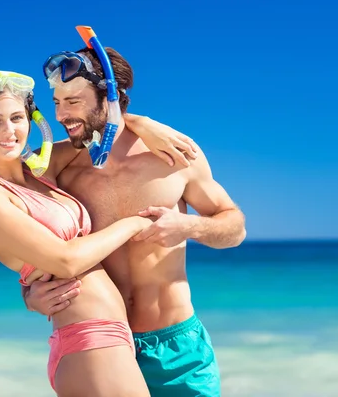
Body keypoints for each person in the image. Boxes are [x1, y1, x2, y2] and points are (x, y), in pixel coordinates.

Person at [0, 66, 195, 396]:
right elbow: (66, 261)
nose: (8, 130)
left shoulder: (41, 170)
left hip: (111, 335)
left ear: (32, 121)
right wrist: (137, 223)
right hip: (88, 337)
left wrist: (145, 125)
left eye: (16, 118)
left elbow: (105, 132)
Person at [24, 45, 246, 397]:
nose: (62, 115)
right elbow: (14, 228)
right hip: (101, 346)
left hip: (176, 348)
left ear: (110, 96)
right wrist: (29, 294)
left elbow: (234, 228)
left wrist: (188, 227)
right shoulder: (57, 168)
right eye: (57, 103)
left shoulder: (174, 155)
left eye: (74, 101)